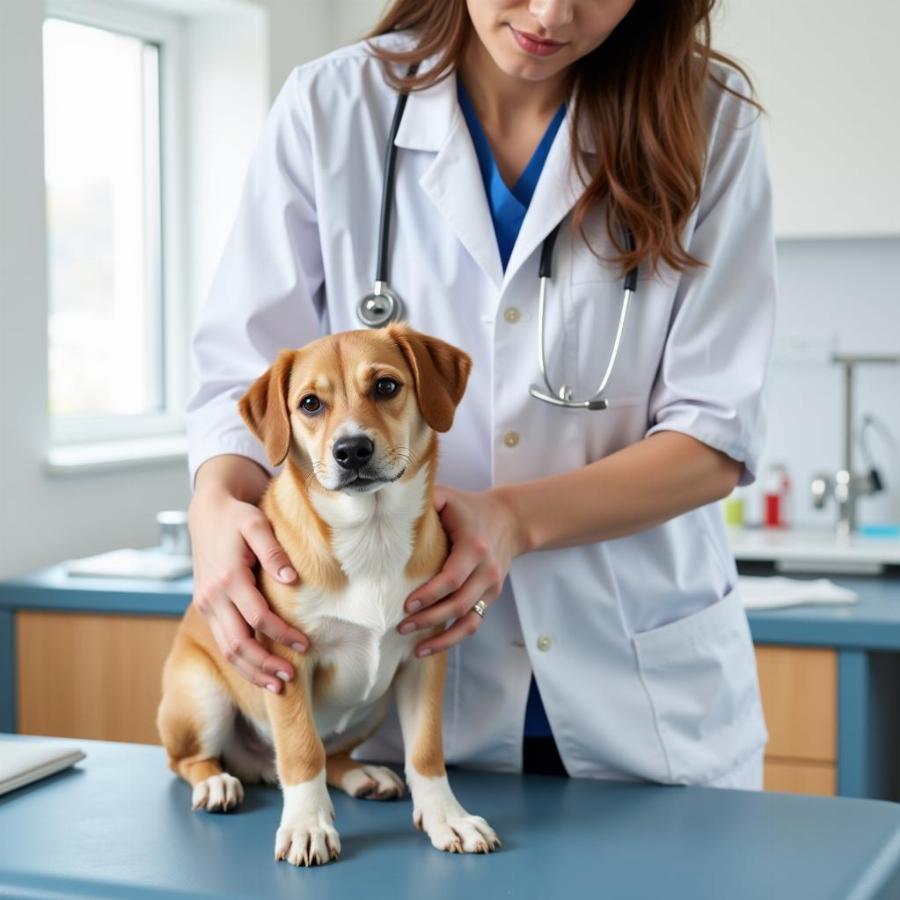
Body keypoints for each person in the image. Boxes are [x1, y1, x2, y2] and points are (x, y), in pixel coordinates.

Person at [185, 0, 776, 788]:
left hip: (642, 702)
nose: (551, 12)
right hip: (385, 711)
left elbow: (714, 432)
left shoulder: (709, 123)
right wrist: (215, 508)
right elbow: (241, 378)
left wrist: (514, 520)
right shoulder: (333, 106)